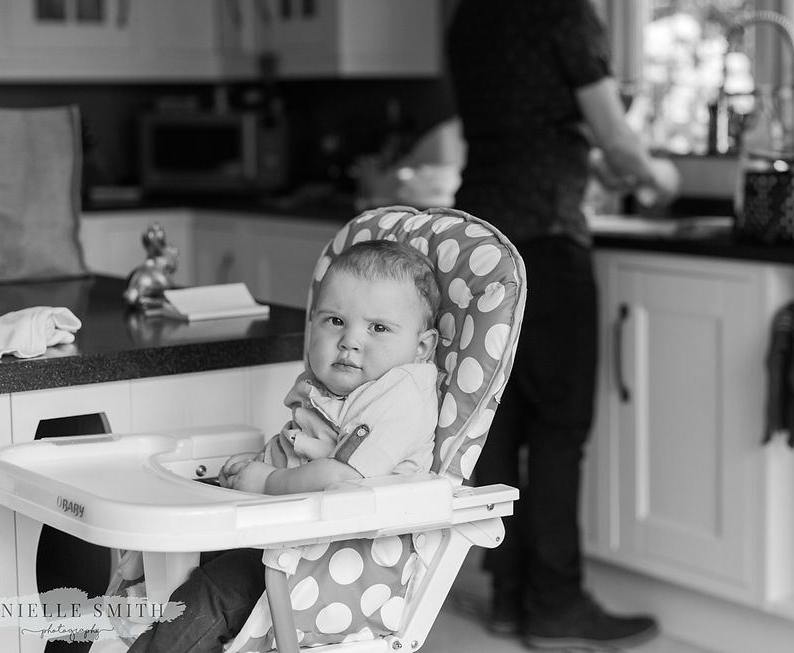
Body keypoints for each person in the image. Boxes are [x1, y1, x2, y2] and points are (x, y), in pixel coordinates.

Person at [446, 1, 680, 650]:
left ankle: (507, 595)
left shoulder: (471, 15)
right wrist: (658, 175)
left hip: (479, 244)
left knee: (504, 422)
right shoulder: (565, 13)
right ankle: (555, 605)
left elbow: (529, 126)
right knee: (558, 429)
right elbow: (617, 141)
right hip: (546, 239)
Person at [128, 239, 441, 653]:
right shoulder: (331, 386)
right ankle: (127, 629)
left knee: (211, 592)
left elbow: (342, 476)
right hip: (286, 539)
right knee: (174, 541)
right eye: (334, 321)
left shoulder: (402, 393)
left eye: (378, 328)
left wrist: (267, 481)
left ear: (422, 347)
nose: (350, 340)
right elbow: (302, 451)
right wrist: (255, 466)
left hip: (334, 565)